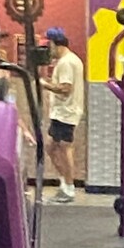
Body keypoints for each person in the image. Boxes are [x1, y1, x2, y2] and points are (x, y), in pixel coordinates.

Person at [42, 26, 84, 202]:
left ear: (55, 44)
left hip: (65, 112)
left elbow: (66, 88)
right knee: (51, 147)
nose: (48, 49)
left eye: (49, 45)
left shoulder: (66, 62)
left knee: (63, 148)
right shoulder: (72, 60)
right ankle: (65, 184)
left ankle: (68, 187)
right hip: (63, 112)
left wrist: (44, 84)